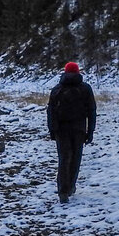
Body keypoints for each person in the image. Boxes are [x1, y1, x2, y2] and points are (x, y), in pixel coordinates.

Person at [46, 61, 97, 204]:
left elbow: (50, 110)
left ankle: (62, 191)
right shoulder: (85, 89)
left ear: (65, 72)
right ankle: (71, 187)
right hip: (79, 129)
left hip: (61, 130)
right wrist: (90, 130)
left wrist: (52, 129)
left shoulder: (57, 89)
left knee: (64, 159)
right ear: (78, 72)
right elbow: (92, 110)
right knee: (76, 158)